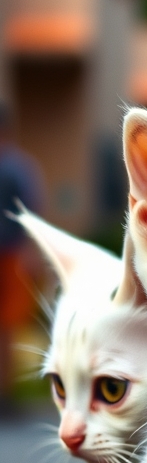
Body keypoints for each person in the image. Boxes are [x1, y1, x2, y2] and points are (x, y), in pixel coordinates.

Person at [0, 104, 44, 407]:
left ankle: (6, 392)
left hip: (12, 254)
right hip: (13, 253)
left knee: (8, 326)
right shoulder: (19, 167)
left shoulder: (17, 167)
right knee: (8, 326)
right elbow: (33, 211)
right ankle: (6, 392)